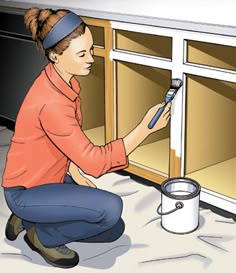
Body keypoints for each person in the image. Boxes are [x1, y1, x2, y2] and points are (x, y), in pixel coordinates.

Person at [2, 7, 171, 269]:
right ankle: (41, 234)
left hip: (48, 177)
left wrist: (75, 173)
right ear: (55, 56)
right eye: (82, 53)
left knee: (113, 229)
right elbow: (94, 161)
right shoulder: (52, 103)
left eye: (91, 49)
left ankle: (28, 219)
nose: (91, 59)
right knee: (110, 209)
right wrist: (145, 129)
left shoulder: (61, 82)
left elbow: (59, 145)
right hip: (26, 190)